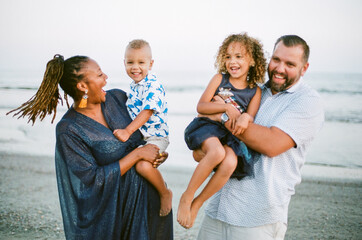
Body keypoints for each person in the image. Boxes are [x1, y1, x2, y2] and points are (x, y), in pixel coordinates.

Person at [7, 55, 173, 239]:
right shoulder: (69, 129)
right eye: (100, 74)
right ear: (83, 86)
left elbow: (146, 132)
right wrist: (136, 155)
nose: (106, 78)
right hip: (115, 214)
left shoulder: (118, 99)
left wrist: (156, 153)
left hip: (150, 198)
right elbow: (91, 181)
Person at [195, 35, 324, 240]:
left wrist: (224, 114)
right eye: (276, 60)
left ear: (304, 68)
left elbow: (272, 144)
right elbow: (205, 125)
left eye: (290, 64)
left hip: (257, 217)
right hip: (218, 207)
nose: (280, 68)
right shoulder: (253, 91)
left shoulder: (308, 102)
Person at [177, 33, 267, 229]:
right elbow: (201, 106)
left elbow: (249, 116)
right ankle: (188, 195)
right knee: (217, 152)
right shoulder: (220, 79)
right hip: (206, 127)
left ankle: (198, 203)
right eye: (228, 57)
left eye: (238, 56)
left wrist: (244, 117)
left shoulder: (255, 91)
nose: (232, 62)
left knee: (230, 161)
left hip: (228, 135)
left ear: (252, 61)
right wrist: (226, 107)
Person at [113, 39, 172, 217]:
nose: (135, 67)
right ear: (124, 63)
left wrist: (127, 131)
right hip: (142, 137)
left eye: (141, 62)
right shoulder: (135, 86)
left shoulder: (152, 85)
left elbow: (147, 112)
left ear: (150, 64)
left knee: (142, 167)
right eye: (130, 62)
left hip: (156, 137)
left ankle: (164, 193)